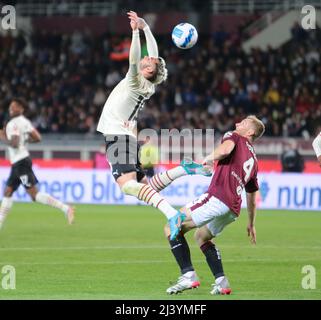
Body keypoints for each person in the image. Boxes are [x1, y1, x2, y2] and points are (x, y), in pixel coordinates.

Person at [97, 11, 209, 240]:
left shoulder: (135, 81)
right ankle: (183, 169)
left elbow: (133, 57)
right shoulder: (148, 83)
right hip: (125, 135)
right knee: (146, 186)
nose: (147, 58)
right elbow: (154, 57)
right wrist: (146, 27)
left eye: (148, 62)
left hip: (119, 135)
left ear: (148, 71)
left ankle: (171, 214)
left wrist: (136, 32)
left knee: (127, 187)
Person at [164, 115, 265, 295]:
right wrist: (251, 223)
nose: (237, 124)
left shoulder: (234, 136)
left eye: (242, 123)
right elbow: (252, 194)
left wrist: (208, 158)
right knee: (201, 237)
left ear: (250, 132)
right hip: (232, 209)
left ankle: (188, 275)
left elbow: (225, 150)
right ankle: (221, 281)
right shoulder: (254, 161)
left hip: (218, 197)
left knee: (171, 226)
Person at [0, 98, 75, 230]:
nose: (11, 108)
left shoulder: (13, 124)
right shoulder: (24, 122)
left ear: (21, 109)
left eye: (15, 106)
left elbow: (14, 143)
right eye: (10, 106)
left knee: (34, 195)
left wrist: (2, 136)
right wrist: (24, 141)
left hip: (21, 162)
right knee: (8, 191)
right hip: (19, 162)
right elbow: (37, 138)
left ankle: (66, 208)